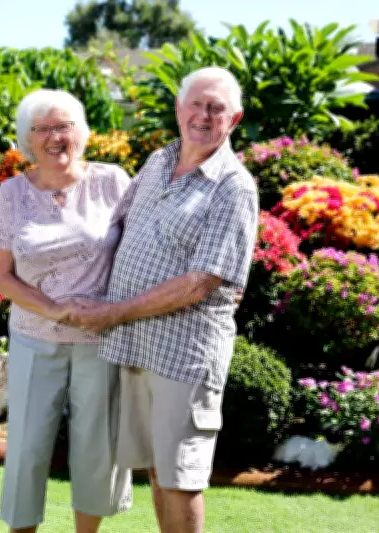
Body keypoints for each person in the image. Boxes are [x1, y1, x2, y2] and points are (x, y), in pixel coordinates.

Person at [69, 66, 260, 533]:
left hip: (184, 354)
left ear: (233, 120)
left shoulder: (233, 186)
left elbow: (200, 282)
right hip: (137, 346)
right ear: (178, 109)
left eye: (216, 108)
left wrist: (112, 312)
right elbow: (118, 226)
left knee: (181, 476)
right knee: (157, 466)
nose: (203, 114)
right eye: (195, 103)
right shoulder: (158, 161)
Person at [0, 88, 133, 533]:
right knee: (27, 450)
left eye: (64, 126)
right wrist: (56, 309)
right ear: (28, 140)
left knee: (96, 449)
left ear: (82, 133)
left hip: (100, 339)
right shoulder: (11, 194)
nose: (55, 137)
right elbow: (2, 276)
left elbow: (144, 250)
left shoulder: (113, 182)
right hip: (35, 336)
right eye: (43, 128)